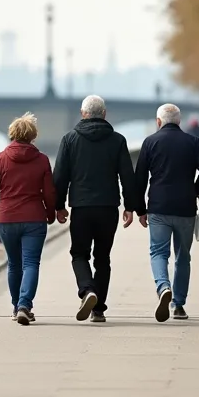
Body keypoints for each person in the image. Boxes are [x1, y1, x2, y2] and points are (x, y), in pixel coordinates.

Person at [54, 95, 141, 323]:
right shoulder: (117, 140)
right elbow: (127, 177)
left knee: (78, 253)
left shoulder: (69, 140)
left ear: (83, 114)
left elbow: (60, 176)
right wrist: (130, 206)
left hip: (81, 207)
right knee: (102, 258)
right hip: (108, 207)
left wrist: (58, 206)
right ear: (104, 114)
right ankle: (99, 308)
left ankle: (87, 290)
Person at [135, 103, 199, 322]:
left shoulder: (150, 142)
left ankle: (163, 287)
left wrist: (140, 209)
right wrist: (194, 190)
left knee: (158, 252)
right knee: (183, 257)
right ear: (179, 122)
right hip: (185, 208)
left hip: (159, 207)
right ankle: (178, 304)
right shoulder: (192, 142)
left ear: (158, 122)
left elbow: (140, 178)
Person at [0, 112, 56, 326]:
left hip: (6, 218)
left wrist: (4, 202)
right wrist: (50, 213)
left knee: (14, 264)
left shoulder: (0, 158)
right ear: (33, 136)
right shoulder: (42, 159)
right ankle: (25, 305)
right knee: (31, 263)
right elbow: (49, 192)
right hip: (34, 218)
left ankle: (17, 307)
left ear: (12, 134)